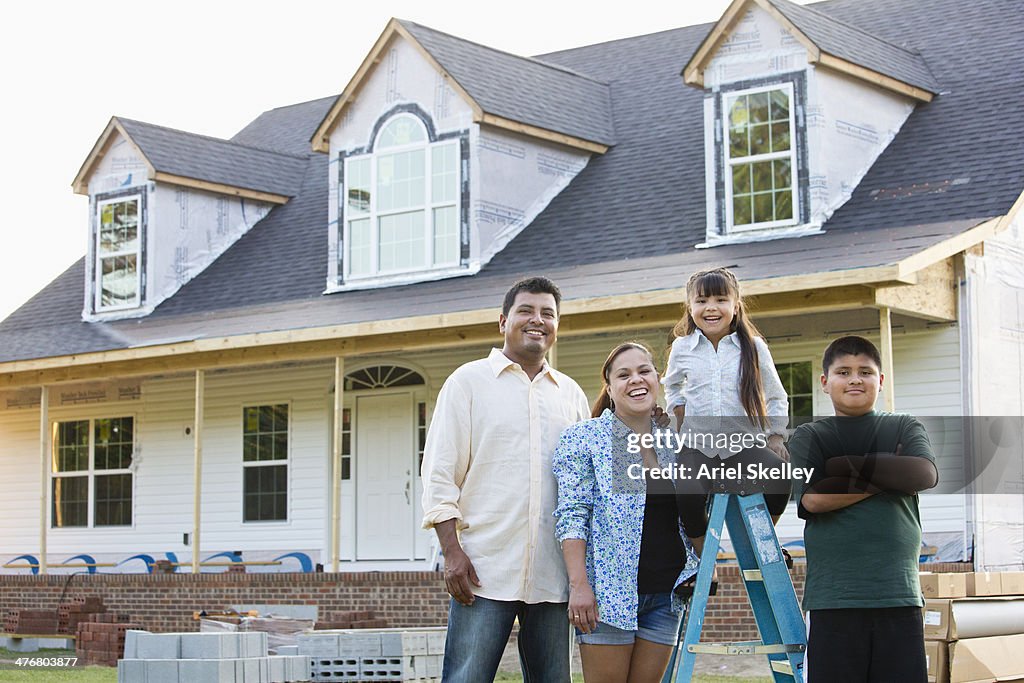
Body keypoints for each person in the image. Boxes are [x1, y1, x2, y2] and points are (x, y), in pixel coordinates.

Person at [420, 276, 590, 683]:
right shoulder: (468, 382)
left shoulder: (570, 395)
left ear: (557, 324)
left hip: (554, 574)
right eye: (526, 311)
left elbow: (588, 483)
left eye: (548, 313)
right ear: (503, 321)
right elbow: (440, 474)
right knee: (466, 678)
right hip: (483, 569)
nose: (538, 320)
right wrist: (451, 551)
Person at [789, 335, 937, 683]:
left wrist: (843, 466)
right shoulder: (810, 435)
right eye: (843, 371)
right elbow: (813, 499)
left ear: (880, 381)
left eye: (865, 372)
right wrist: (889, 470)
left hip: (898, 597)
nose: (855, 379)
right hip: (835, 599)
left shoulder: (903, 425)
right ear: (825, 383)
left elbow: (923, 474)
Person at [554, 342, 699, 683]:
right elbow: (573, 514)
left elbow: (691, 513)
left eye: (644, 371)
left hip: (666, 595)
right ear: (609, 386)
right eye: (624, 375)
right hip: (608, 595)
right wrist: (579, 586)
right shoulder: (588, 437)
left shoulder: (673, 441)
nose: (636, 380)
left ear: (657, 378)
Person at [662, 267, 792, 575]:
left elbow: (776, 395)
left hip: (742, 446)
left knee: (781, 474)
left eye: (721, 299)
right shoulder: (682, 348)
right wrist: (677, 408)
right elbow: (671, 385)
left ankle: (763, 539)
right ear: (690, 307)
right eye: (702, 300)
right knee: (686, 494)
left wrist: (776, 436)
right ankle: (705, 556)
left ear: (735, 306)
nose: (711, 308)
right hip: (697, 446)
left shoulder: (754, 348)